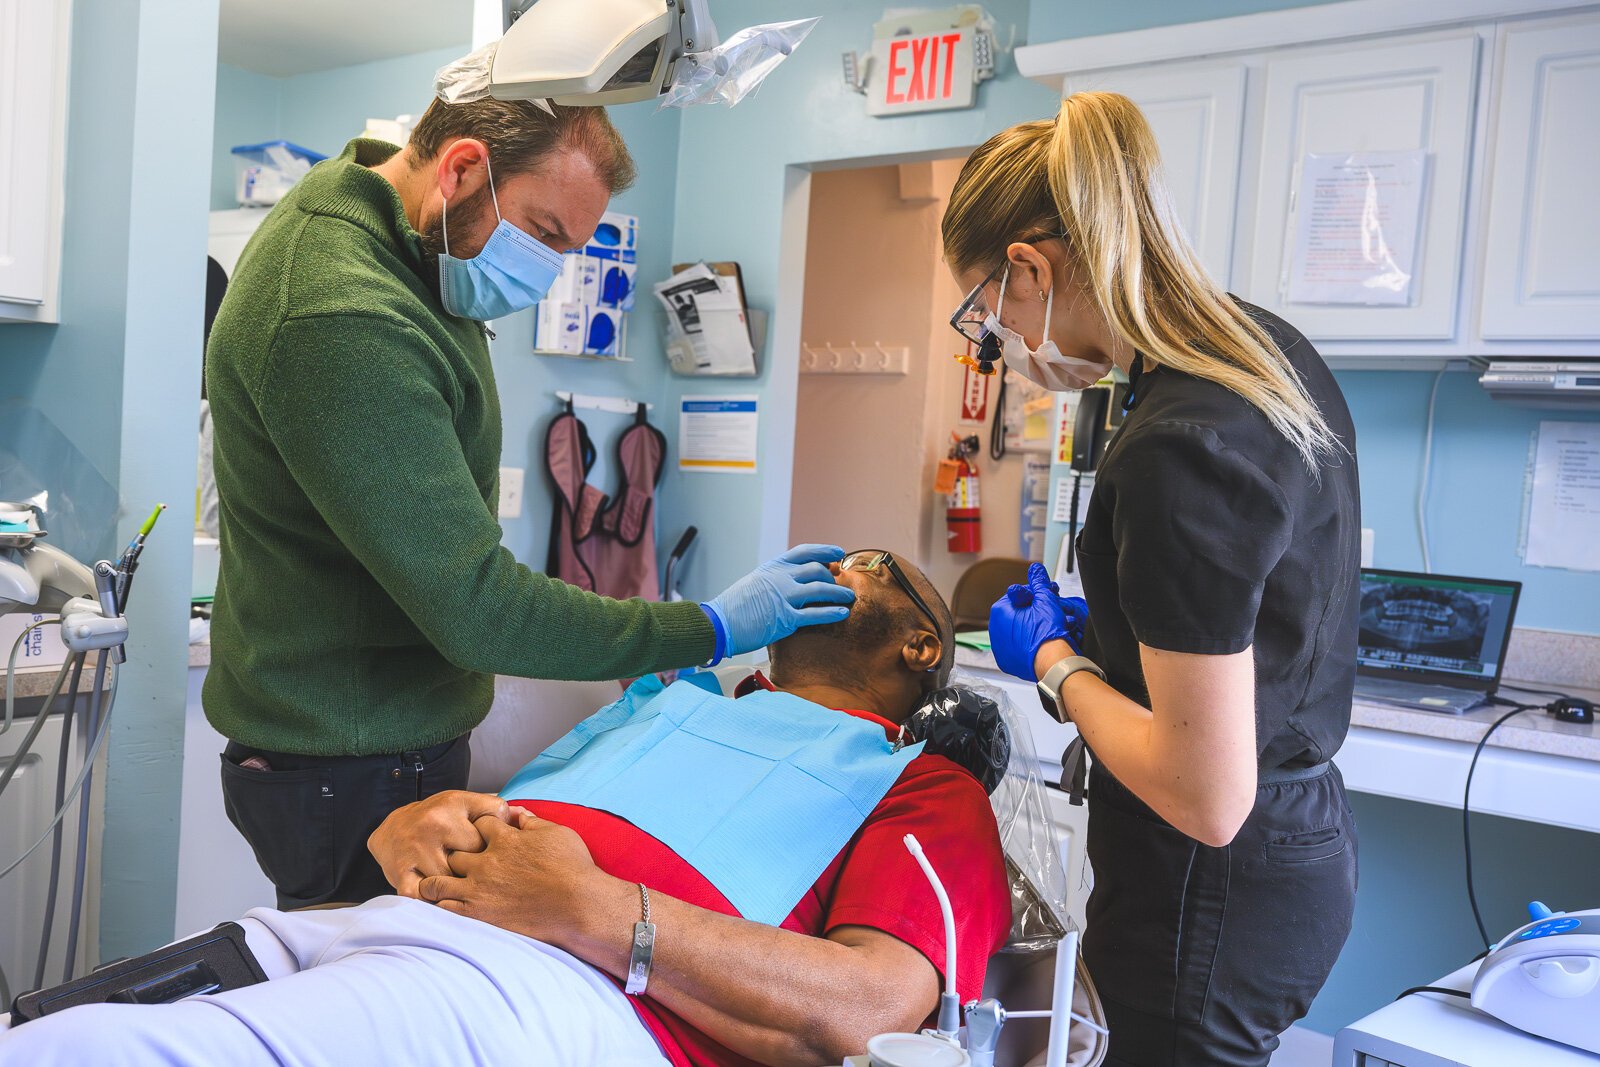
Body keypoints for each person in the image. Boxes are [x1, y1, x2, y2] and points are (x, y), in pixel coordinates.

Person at [204, 93, 854, 910]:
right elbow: (478, 608)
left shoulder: (409, 239)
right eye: (544, 234)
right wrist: (708, 627)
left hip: (379, 740)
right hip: (350, 768)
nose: (546, 273)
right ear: (464, 167)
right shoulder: (340, 310)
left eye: (569, 250)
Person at [0, 551, 1012, 1067]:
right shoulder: (670, 698)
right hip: (377, 925)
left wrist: (600, 911)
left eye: (867, 566)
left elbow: (869, 1007)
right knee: (48, 1024)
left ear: (921, 646)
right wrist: (410, 826)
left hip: (562, 985)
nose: (829, 565)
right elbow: (494, 811)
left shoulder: (921, 784)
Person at [942, 92, 1361, 1066]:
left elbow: (1204, 790)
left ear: (1029, 267)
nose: (997, 338)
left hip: (1208, 888)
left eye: (985, 310)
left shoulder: (1178, 445)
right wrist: (1119, 630)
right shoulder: (1259, 354)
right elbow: (1247, 615)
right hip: (1287, 856)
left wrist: (1052, 662)